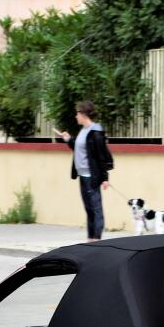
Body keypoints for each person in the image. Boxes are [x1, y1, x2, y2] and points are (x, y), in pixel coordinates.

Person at [57, 100, 113, 241]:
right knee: (89, 209)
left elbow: (102, 155)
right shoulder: (84, 131)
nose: (76, 116)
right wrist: (69, 139)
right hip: (82, 175)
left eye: (77, 113)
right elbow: (80, 148)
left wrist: (105, 177)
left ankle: (97, 240)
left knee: (96, 209)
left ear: (83, 114)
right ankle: (90, 239)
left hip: (91, 176)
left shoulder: (96, 132)